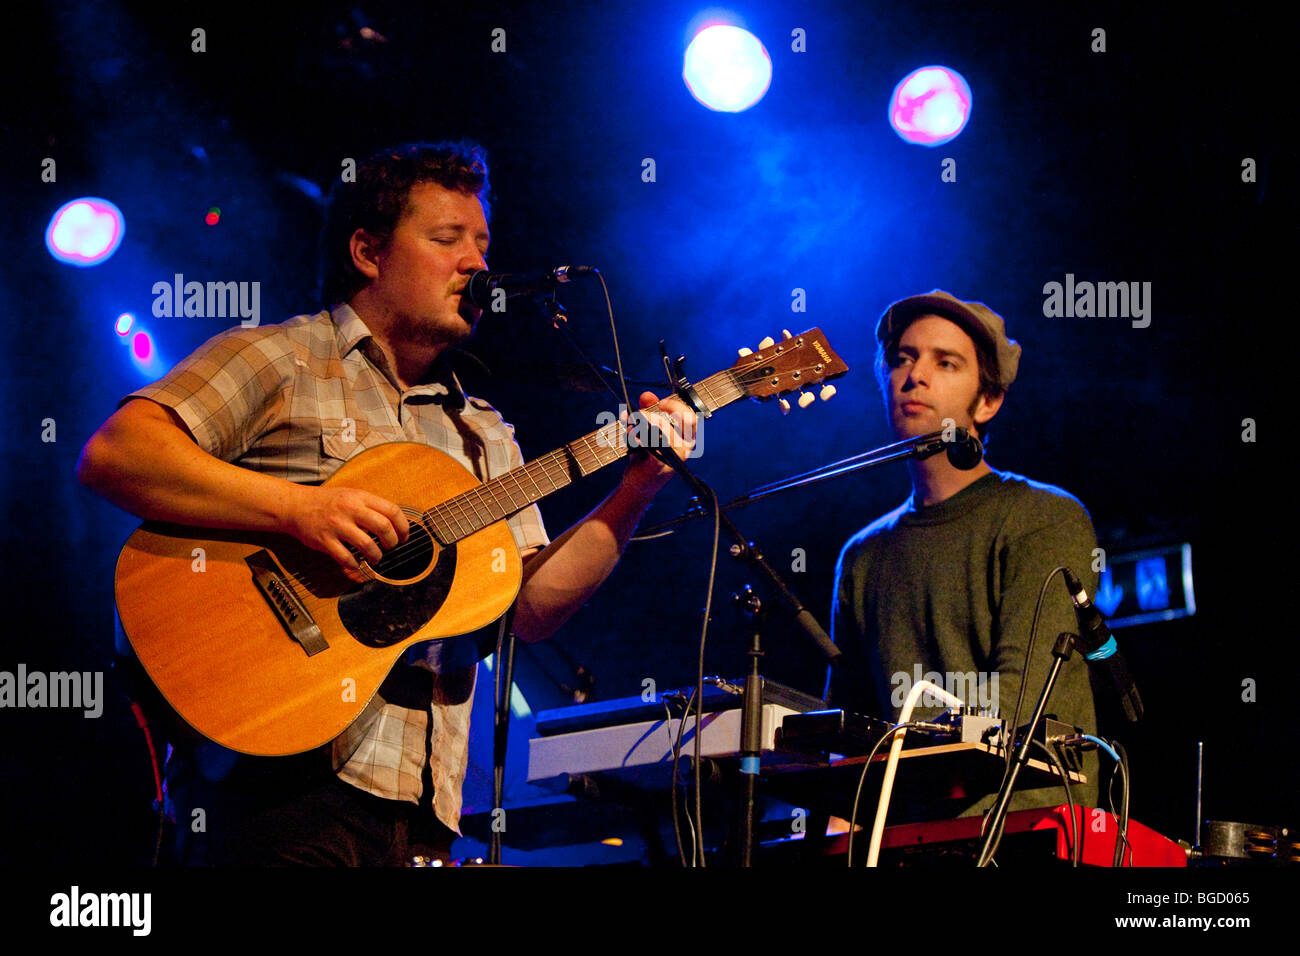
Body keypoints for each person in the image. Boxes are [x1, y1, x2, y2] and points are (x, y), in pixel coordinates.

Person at [76, 141, 697, 865]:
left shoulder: (485, 434)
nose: (475, 262)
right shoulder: (284, 357)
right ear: (369, 252)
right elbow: (118, 454)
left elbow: (530, 607)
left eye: (482, 243)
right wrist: (295, 510)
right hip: (276, 786)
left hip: (423, 810)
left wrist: (637, 488)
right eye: (446, 240)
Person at [829, 290, 1100, 820]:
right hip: (901, 838)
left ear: (988, 401)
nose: (915, 375)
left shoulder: (1043, 517)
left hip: (1024, 830)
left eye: (945, 362)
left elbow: (1024, 699)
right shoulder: (862, 555)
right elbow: (849, 731)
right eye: (902, 358)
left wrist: (897, 740)